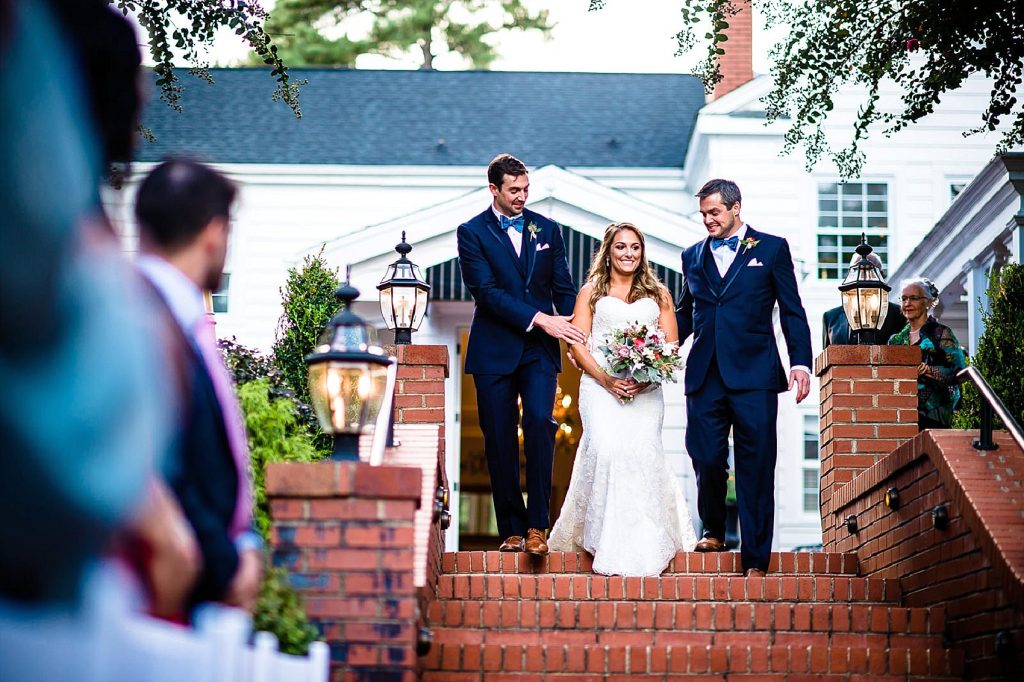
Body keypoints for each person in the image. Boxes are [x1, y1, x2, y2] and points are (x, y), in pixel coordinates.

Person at [134, 158, 263, 612]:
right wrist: (227, 565)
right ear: (214, 233)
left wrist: (248, 543)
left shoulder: (185, 322)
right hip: (157, 590)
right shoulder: (136, 320)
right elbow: (158, 464)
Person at [676, 179, 813, 577]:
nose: (708, 220)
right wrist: (659, 346)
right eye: (703, 214)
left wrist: (800, 363)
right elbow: (687, 312)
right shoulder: (691, 256)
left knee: (756, 463)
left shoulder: (771, 249)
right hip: (705, 373)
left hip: (755, 374)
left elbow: (792, 311)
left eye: (714, 212)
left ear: (736, 208)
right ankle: (714, 530)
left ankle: (755, 558)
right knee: (705, 454)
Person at [548, 223, 697, 576]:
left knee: (641, 453)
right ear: (608, 251)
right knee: (606, 449)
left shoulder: (659, 294)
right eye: (621, 247)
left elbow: (671, 346)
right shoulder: (591, 293)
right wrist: (607, 379)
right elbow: (577, 343)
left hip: (646, 393)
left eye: (634, 247)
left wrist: (644, 380)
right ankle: (601, 537)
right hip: (600, 388)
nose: (628, 254)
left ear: (642, 253)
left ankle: (644, 541)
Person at [456, 153, 586, 556]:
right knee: (498, 440)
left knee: (539, 424)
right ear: (493, 189)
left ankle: (537, 528)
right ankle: (511, 529)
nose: (521, 196)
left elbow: (563, 287)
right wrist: (540, 318)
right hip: (493, 348)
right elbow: (487, 293)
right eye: (513, 190)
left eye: (526, 189)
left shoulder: (547, 229)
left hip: (538, 352)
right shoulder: (472, 232)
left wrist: (574, 334)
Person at [888, 277, 967, 429]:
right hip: (902, 415)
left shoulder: (941, 333)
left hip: (935, 417)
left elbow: (959, 372)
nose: (907, 304)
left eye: (914, 298)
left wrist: (929, 370)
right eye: (904, 299)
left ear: (928, 302)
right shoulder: (896, 340)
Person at [822, 252, 907, 346]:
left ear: (881, 276)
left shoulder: (897, 314)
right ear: (849, 275)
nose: (864, 277)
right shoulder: (830, 317)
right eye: (857, 271)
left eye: (871, 272)